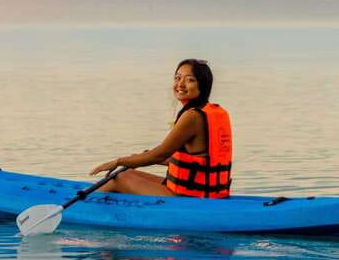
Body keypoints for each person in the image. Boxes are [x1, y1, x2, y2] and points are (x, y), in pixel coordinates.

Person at [90, 59, 232, 198]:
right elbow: (193, 161)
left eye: (189, 80)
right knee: (128, 174)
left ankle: (83, 207)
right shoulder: (210, 112)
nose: (180, 84)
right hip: (208, 193)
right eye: (177, 78)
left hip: (190, 198)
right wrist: (139, 158)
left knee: (119, 177)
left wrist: (119, 161)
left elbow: (159, 154)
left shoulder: (192, 116)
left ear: (203, 85)